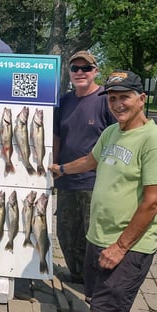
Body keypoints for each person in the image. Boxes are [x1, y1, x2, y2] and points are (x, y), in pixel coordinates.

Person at [50, 70, 157, 312]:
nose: (118, 104)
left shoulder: (153, 140)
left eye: (125, 97)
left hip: (126, 246)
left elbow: (153, 201)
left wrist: (121, 247)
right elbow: (92, 159)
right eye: (112, 98)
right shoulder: (113, 132)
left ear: (141, 99)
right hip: (100, 238)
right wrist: (62, 168)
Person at [53, 51, 115, 283]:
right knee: (66, 232)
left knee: (94, 236)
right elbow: (57, 136)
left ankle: (97, 283)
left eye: (86, 68)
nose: (80, 73)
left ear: (96, 71)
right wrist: (55, 169)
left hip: (94, 182)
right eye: (75, 69)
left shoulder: (105, 100)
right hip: (66, 179)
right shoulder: (65, 101)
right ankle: (77, 274)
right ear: (69, 73)